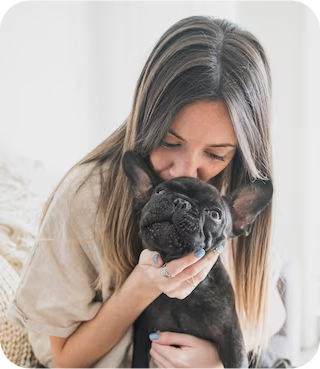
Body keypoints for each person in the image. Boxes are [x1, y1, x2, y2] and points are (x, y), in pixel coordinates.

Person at [7, 15, 289, 369]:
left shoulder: (233, 194)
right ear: (145, 120)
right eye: (169, 142)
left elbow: (269, 314)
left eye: (215, 154)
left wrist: (219, 358)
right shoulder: (88, 196)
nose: (186, 170)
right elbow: (63, 359)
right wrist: (140, 288)